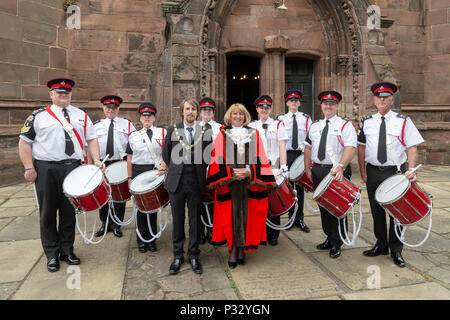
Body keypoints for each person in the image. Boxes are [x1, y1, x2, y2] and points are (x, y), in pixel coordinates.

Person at [18, 78, 103, 272]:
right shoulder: (38, 116)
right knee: (47, 212)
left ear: (71, 94)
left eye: (67, 92)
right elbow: (24, 143)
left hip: (73, 168)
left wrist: (96, 160)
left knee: (69, 212)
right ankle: (51, 254)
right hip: (46, 168)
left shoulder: (81, 115)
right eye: (59, 92)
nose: (63, 95)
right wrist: (29, 167)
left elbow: (92, 139)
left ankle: (67, 250)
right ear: (51, 94)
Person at [357, 81, 424, 268]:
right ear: (374, 100)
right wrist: (362, 170)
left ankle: (396, 249)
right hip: (373, 171)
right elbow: (361, 147)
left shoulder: (403, 121)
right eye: (378, 97)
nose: (381, 99)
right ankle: (381, 244)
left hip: (396, 172)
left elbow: (412, 147)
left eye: (385, 97)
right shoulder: (366, 122)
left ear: (391, 100)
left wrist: (410, 169)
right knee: (376, 211)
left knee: (397, 212)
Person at [207, 103, 276, 268]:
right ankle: (232, 249)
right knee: (229, 217)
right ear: (229, 117)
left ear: (245, 117)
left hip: (248, 183)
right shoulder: (222, 134)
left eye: (241, 114)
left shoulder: (254, 134)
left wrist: (249, 171)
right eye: (234, 114)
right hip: (229, 184)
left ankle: (242, 248)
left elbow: (261, 157)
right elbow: (216, 157)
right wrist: (231, 173)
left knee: (248, 216)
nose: (238, 117)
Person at [160, 99, 212, 275]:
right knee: (178, 220)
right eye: (187, 109)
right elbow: (166, 154)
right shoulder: (172, 129)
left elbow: (208, 155)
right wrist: (176, 169)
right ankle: (178, 255)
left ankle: (194, 255)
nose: (190, 112)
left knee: (195, 221)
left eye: (193, 109)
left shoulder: (205, 130)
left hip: (196, 181)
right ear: (182, 112)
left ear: (197, 112)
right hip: (177, 182)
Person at [304, 91, 357, 258]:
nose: (328, 106)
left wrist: (341, 166)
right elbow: (308, 148)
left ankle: (337, 242)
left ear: (337, 106)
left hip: (336, 171)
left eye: (332, 104)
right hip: (318, 170)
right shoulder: (314, 126)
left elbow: (350, 147)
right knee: (323, 206)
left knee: (337, 207)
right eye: (325, 104)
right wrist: (307, 169)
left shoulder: (345, 125)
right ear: (321, 106)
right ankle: (329, 236)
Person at [126, 103, 166, 253]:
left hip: (155, 171)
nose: (147, 117)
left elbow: (167, 153)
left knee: (153, 206)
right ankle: (141, 240)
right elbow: (129, 158)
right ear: (140, 118)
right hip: (137, 172)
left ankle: (152, 239)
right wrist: (129, 177)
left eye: (150, 115)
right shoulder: (133, 135)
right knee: (140, 207)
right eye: (144, 115)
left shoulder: (162, 133)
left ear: (154, 117)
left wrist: (163, 165)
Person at [249, 95, 288, 246]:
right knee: (257, 201)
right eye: (261, 108)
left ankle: (273, 234)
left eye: (267, 108)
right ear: (257, 109)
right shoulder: (252, 126)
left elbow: (282, 146)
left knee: (272, 201)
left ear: (270, 109)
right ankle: (260, 232)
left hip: (273, 167)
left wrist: (284, 166)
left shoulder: (278, 125)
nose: (264, 110)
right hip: (257, 168)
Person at [94, 95, 136, 238]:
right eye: (108, 107)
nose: (111, 110)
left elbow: (135, 144)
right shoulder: (96, 125)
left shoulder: (127, 124)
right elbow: (90, 146)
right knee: (103, 195)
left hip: (120, 162)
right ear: (103, 108)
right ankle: (104, 224)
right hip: (102, 163)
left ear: (118, 109)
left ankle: (117, 224)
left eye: (114, 107)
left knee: (119, 195)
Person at [277, 89, 311, 232]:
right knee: (289, 187)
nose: (294, 103)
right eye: (291, 101)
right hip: (287, 155)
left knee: (301, 188)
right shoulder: (280, 119)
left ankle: (300, 218)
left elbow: (310, 140)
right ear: (287, 103)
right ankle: (291, 218)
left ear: (299, 103)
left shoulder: (306, 119)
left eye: (296, 101)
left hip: (301, 155)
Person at [198, 97, 222, 244]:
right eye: (204, 110)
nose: (207, 113)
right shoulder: (193, 127)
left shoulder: (220, 128)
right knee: (198, 199)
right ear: (200, 112)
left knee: (214, 200)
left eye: (209, 110)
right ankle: (200, 231)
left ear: (213, 113)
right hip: (198, 168)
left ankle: (213, 230)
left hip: (214, 167)